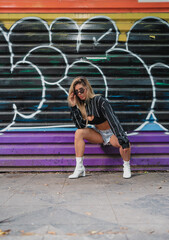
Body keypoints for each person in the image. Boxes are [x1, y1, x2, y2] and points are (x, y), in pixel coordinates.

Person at [68, 76, 131, 179]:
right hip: (99, 134)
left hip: (111, 133)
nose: (80, 94)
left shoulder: (99, 100)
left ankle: (127, 166)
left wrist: (121, 138)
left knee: (125, 144)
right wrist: (74, 107)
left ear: (87, 89)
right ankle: (79, 168)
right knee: (79, 132)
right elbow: (80, 126)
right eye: (77, 92)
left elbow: (113, 119)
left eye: (81, 90)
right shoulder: (82, 106)